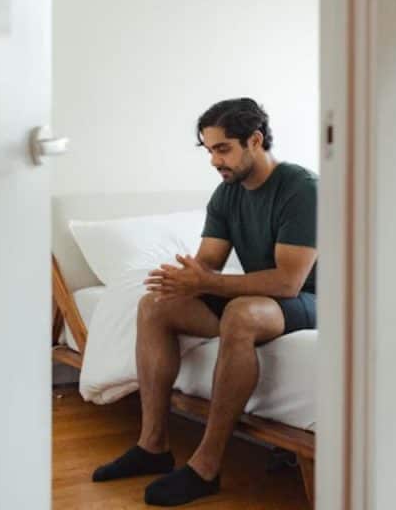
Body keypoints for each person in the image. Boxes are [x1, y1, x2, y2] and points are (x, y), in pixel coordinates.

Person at [91, 97, 319, 506]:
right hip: (264, 296)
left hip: (311, 300)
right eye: (210, 150)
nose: (215, 160)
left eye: (223, 149)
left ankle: (207, 466)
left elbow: (288, 281)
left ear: (255, 140)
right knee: (154, 305)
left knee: (241, 314)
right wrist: (185, 279)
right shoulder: (227, 194)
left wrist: (206, 281)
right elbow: (208, 264)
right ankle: (153, 446)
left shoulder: (301, 189)